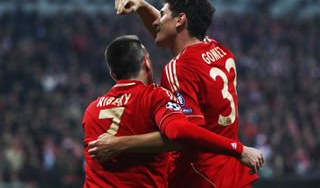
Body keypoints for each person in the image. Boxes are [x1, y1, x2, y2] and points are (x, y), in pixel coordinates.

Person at [83, 35, 263, 187]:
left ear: (113, 75)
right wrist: (238, 149)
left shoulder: (91, 110)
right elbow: (180, 133)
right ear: (147, 62)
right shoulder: (155, 96)